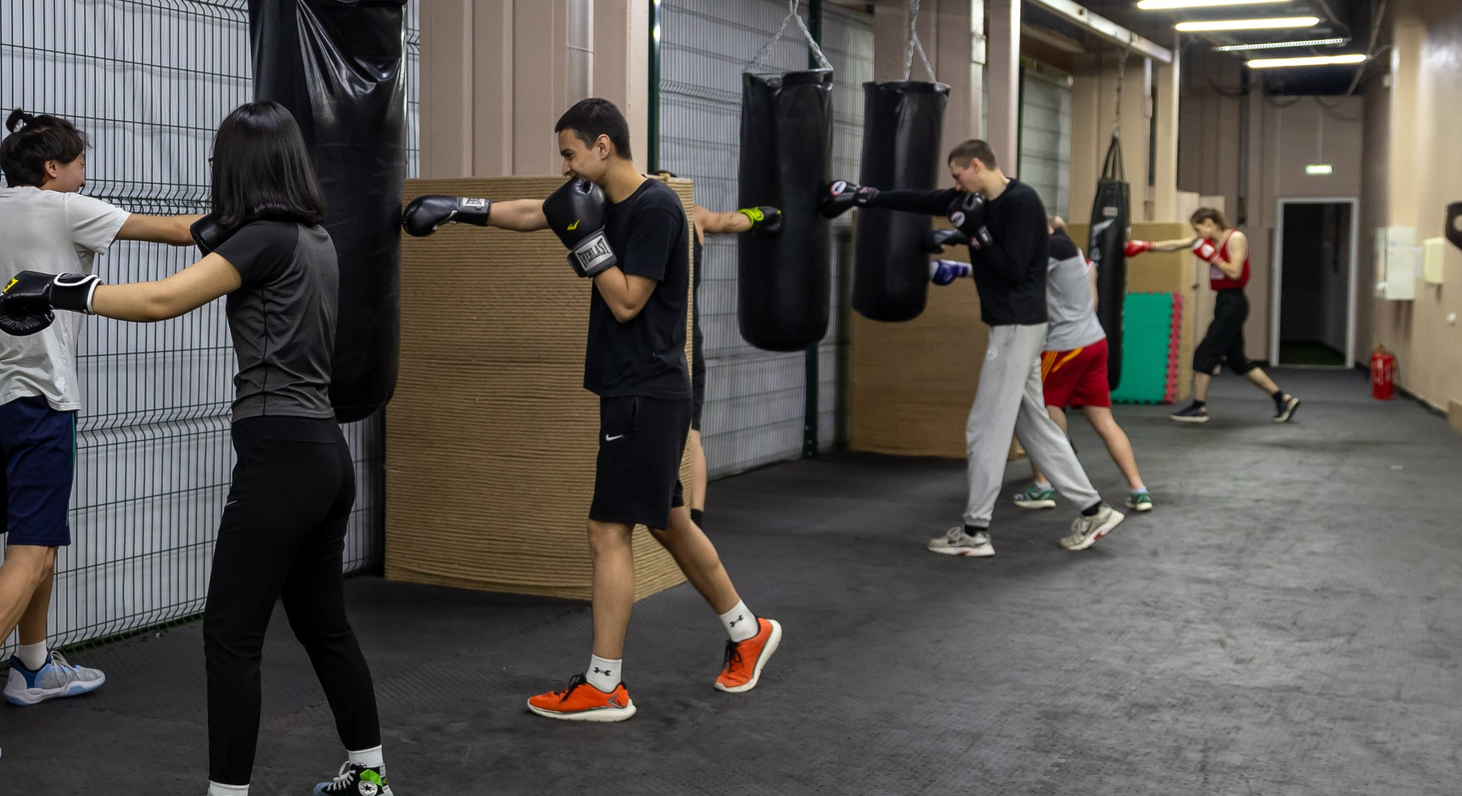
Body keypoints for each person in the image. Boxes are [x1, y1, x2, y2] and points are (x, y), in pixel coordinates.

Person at [0, 101, 388, 796]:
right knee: (322, 624)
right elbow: (201, 236)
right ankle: (367, 776)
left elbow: (163, 299)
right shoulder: (312, 235)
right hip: (322, 452)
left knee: (230, 634)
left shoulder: (266, 236)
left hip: (278, 454)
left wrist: (61, 289)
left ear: (238, 168)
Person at [403, 100, 783, 718]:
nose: (565, 167)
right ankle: (749, 631)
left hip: (646, 390)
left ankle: (604, 686)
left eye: (570, 153)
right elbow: (538, 213)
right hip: (636, 389)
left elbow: (629, 301)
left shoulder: (657, 208)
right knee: (670, 522)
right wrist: (457, 209)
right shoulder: (606, 200)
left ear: (603, 146)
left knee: (606, 531)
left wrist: (587, 242)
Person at [0, 111, 201, 770]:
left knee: (35, 536)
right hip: (42, 398)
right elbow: (181, 232)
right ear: (52, 169)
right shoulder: (63, 208)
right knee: (33, 551)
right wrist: (264, 217)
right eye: (79, 164)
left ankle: (33, 667)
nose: (85, 174)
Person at [827, 140, 1124, 557]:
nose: (955, 183)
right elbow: (929, 200)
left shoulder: (1023, 204)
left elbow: (1015, 270)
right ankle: (1094, 510)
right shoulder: (977, 198)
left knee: (984, 428)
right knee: (1034, 425)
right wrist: (868, 195)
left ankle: (975, 531)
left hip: (1018, 325)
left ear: (977, 165)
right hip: (1014, 326)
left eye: (958, 173)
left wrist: (974, 233)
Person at [657, 172, 788, 524]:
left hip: (663, 343)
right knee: (692, 434)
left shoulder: (646, 217)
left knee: (676, 435)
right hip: (688, 343)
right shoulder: (695, 215)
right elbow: (733, 221)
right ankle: (694, 519)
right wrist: (765, 215)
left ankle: (678, 518)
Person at [1006, 218, 1152, 515]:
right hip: (1095, 341)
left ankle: (1043, 484)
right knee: (1103, 420)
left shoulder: (1047, 256)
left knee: (1040, 411)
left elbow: (1015, 281)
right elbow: (1094, 304)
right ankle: (1139, 490)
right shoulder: (1083, 260)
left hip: (1065, 346)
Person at [1138, 207, 1299, 424]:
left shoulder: (1235, 238)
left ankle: (1198, 407)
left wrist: (1212, 257)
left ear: (1209, 222)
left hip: (1234, 302)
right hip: (1224, 301)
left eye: (1199, 228)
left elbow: (1235, 272)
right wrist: (1145, 246)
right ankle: (1283, 399)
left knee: (1204, 354)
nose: (1198, 234)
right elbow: (1178, 244)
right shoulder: (1207, 242)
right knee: (1237, 361)